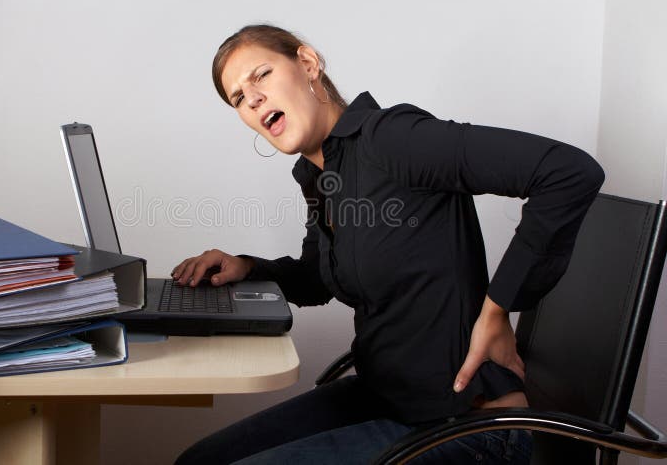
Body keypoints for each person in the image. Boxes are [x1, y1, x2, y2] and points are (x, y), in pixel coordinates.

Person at [172, 25, 604, 464]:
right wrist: (247, 266)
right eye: (239, 99)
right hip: (385, 399)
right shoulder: (322, 177)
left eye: (260, 75)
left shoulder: (393, 139)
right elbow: (320, 278)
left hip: (466, 427)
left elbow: (568, 172)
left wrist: (497, 310)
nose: (253, 99)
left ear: (307, 64)